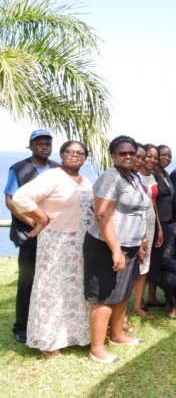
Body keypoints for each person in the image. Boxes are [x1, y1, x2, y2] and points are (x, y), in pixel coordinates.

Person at [11, 141, 92, 357]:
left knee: (74, 292)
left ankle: (74, 336)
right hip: (57, 243)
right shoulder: (52, 176)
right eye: (70, 152)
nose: (75, 155)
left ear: (85, 157)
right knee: (51, 290)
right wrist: (42, 218)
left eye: (80, 153)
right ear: (62, 154)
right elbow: (20, 197)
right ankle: (47, 341)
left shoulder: (86, 182)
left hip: (79, 245)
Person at [84, 135, 150, 363]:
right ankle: (97, 348)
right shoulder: (110, 178)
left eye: (132, 153)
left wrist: (141, 240)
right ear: (113, 156)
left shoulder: (134, 177)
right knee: (103, 296)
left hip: (129, 245)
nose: (129, 156)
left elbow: (139, 212)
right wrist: (115, 250)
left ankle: (118, 335)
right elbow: (102, 215)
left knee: (121, 293)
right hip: (106, 245)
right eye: (123, 153)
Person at [5, 129, 61, 343]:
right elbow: (11, 201)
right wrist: (36, 223)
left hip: (55, 236)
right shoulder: (19, 169)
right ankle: (21, 326)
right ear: (30, 146)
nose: (44, 146)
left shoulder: (58, 168)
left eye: (48, 143)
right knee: (27, 281)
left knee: (52, 280)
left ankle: (48, 322)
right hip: (29, 234)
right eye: (39, 143)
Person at [132, 143, 161, 319]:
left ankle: (138, 305)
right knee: (132, 265)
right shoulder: (133, 177)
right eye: (147, 156)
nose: (151, 160)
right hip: (135, 226)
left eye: (154, 157)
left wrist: (159, 228)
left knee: (145, 266)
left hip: (150, 226)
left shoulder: (152, 177)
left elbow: (153, 204)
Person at [148, 144, 174, 307]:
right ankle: (150, 297)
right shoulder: (151, 175)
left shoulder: (165, 173)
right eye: (162, 155)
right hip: (158, 223)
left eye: (168, 156)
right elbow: (153, 201)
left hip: (168, 222)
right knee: (155, 259)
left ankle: (154, 295)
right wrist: (158, 227)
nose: (165, 158)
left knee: (161, 259)